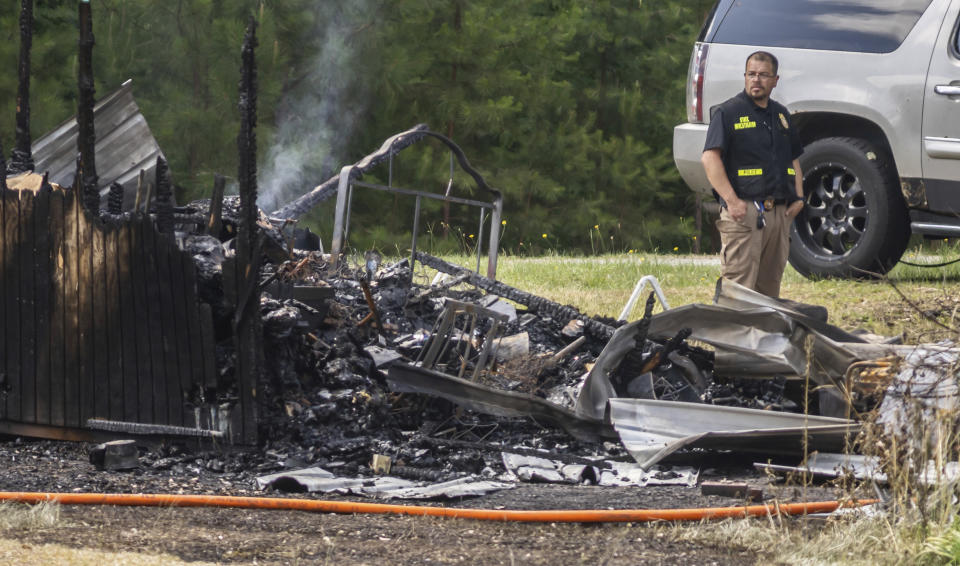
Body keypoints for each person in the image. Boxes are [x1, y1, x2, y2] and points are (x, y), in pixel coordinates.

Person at [701, 51, 804, 298]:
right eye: (751, 74)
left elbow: (793, 159)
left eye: (763, 75)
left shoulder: (781, 115)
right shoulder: (728, 113)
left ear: (775, 80)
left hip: (778, 215)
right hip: (744, 214)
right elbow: (709, 158)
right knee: (738, 291)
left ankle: (762, 337)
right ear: (745, 77)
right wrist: (733, 201)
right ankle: (732, 336)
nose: (756, 80)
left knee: (769, 293)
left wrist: (799, 198)